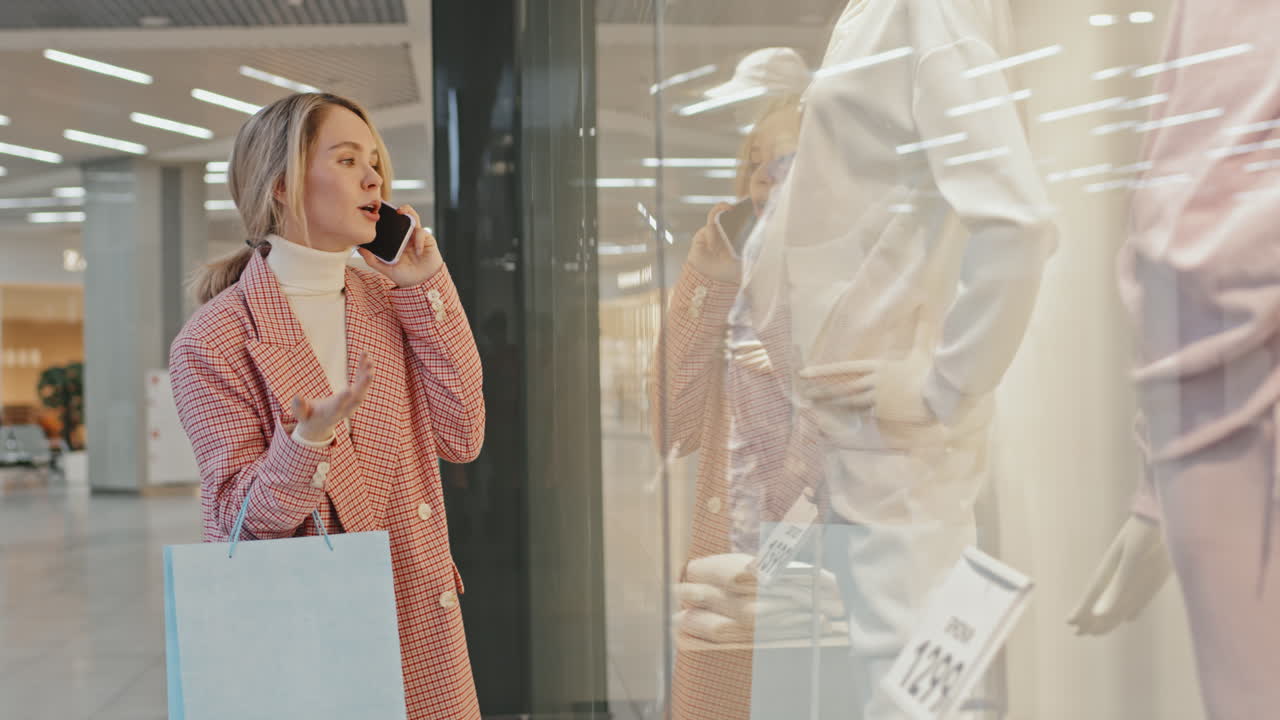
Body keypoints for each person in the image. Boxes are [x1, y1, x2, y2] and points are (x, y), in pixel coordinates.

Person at [170, 92, 485, 719]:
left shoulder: (392, 299)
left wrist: (427, 284)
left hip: (420, 623)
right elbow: (238, 516)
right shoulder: (213, 340)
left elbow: (463, 434)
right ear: (283, 185)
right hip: (305, 639)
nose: (375, 178)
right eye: (346, 160)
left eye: (374, 161)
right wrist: (304, 444)